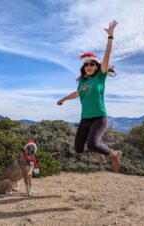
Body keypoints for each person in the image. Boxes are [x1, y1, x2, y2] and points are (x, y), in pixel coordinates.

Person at [57, 20, 122, 173]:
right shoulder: (82, 82)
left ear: (97, 66)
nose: (89, 66)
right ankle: (98, 150)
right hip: (85, 118)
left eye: (92, 64)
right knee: (79, 148)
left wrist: (110, 37)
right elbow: (77, 93)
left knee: (93, 143)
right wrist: (63, 99)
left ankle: (114, 154)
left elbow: (107, 56)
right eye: (86, 65)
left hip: (99, 117)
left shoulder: (100, 77)